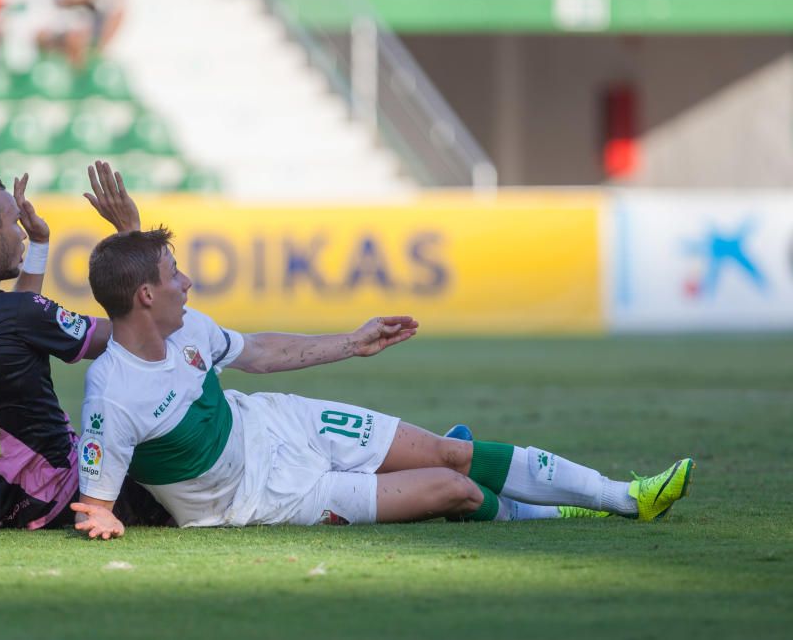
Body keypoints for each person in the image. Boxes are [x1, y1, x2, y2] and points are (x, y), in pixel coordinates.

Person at [72, 229, 695, 539]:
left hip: (275, 421)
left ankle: (628, 495)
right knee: (453, 487)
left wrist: (352, 340)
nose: (188, 285)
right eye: (174, 276)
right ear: (147, 295)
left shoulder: (190, 329)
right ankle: (539, 509)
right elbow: (96, 499)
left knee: (452, 453)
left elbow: (260, 352)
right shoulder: (112, 395)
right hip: (266, 499)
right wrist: (101, 518)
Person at [0, 161, 171, 529]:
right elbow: (135, 332)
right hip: (62, 495)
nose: (20, 233)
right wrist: (130, 234)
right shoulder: (15, 315)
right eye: (14, 223)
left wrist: (39, 245)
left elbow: (15, 329)